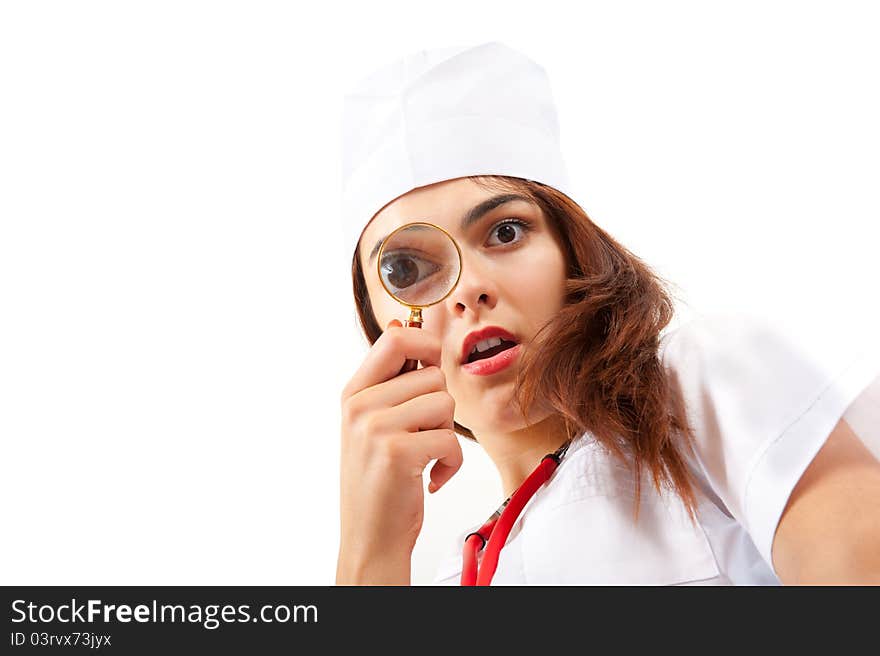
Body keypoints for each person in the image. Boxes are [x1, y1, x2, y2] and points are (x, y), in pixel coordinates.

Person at [335, 42, 880, 585]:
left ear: (574, 252)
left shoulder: (702, 390)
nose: (470, 288)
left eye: (506, 232)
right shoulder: (455, 579)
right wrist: (373, 547)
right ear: (379, 326)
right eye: (406, 270)